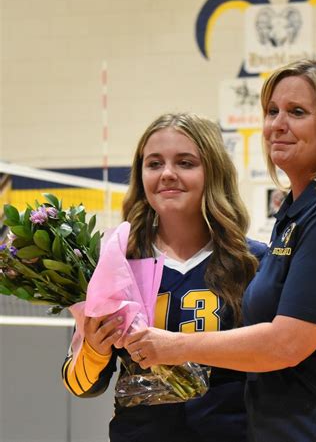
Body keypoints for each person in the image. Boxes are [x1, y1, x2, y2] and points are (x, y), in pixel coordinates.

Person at [124, 59, 316, 442]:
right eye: (272, 111)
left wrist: (172, 346)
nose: (277, 124)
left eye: (297, 112)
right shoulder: (298, 213)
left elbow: (285, 344)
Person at [62, 112, 267, 442]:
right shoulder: (116, 263)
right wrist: (95, 350)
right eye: (154, 164)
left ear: (214, 171)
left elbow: (274, 359)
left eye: (185, 163)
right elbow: (81, 385)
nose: (167, 174)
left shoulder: (253, 262)